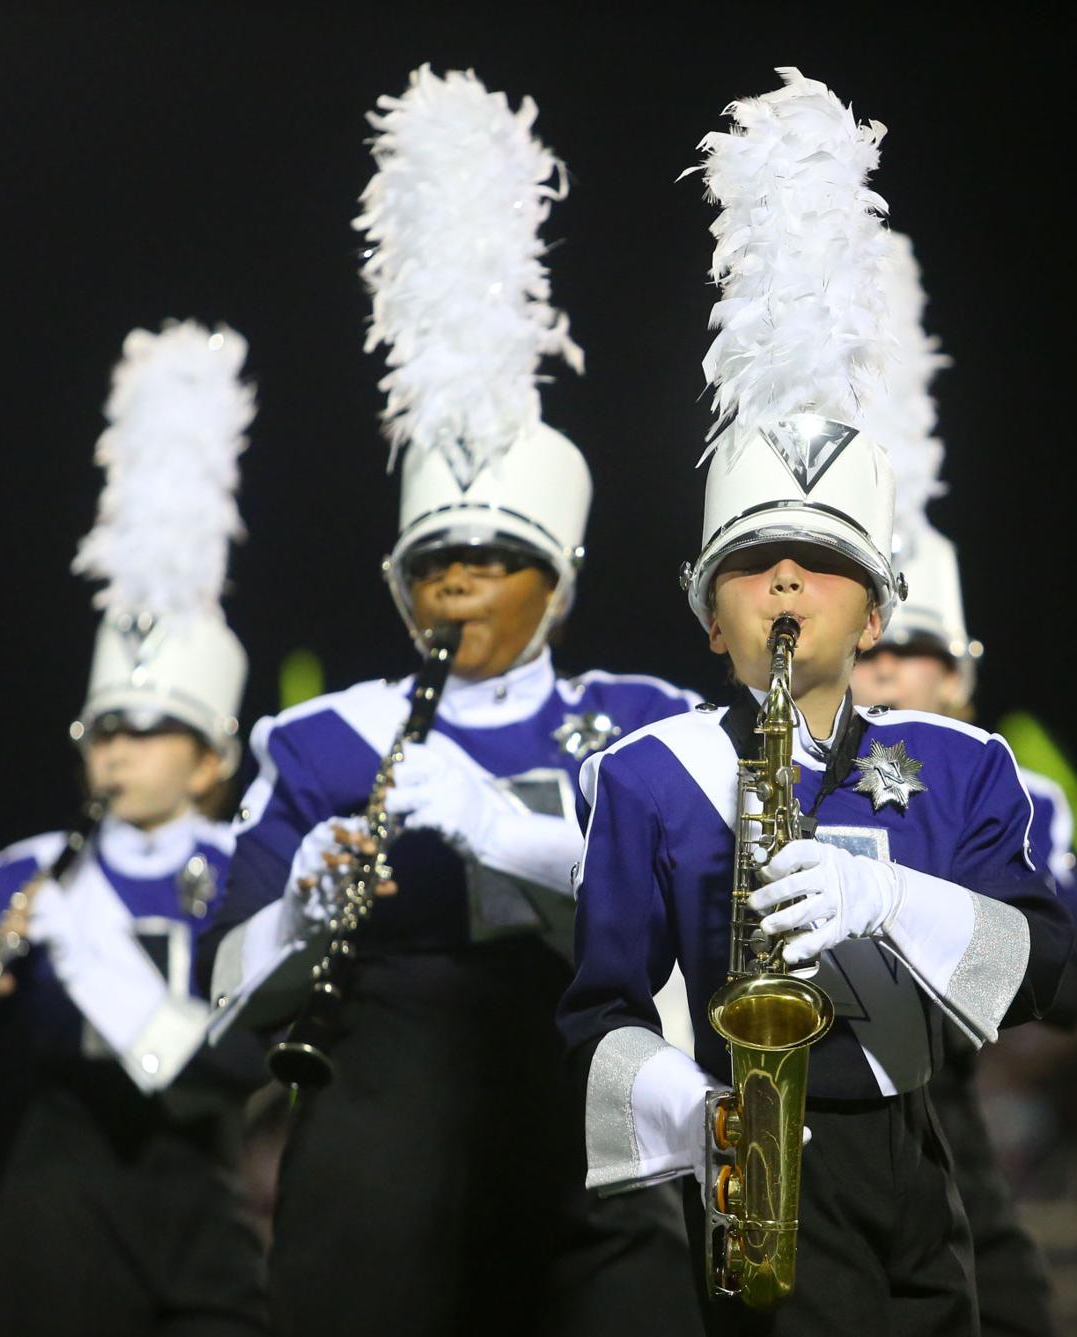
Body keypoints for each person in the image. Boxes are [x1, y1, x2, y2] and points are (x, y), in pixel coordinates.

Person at [557, 69, 1076, 1335]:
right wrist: (697, 1113)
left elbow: (1055, 970)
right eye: (750, 562)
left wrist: (892, 896)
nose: (786, 577)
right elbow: (596, 1012)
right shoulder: (649, 772)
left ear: (879, 611)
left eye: (824, 560)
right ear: (708, 610)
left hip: (922, 1156)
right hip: (752, 1162)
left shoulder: (961, 767)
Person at [201, 67, 703, 1337]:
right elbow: (220, 1005)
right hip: (376, 1158)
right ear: (397, 580)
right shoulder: (324, 741)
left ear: (562, 582)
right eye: (434, 559)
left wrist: (507, 831)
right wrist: (302, 910)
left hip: (598, 1144)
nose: (461, 578)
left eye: (496, 558)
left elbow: (704, 932)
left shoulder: (642, 715)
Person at [0, 322, 268, 1337]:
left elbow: (250, 1051)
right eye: (106, 730)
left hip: (208, 1190)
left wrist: (89, 951)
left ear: (210, 756)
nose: (121, 750)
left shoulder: (241, 861)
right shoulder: (26, 868)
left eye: (152, 730)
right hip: (58, 1196)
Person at [848, 240, 1077, 1335]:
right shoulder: (773, 772)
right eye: (878, 648)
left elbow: (1062, 979)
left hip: (947, 1125)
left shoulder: (1017, 792)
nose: (894, 670)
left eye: (923, 652)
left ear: (964, 674)